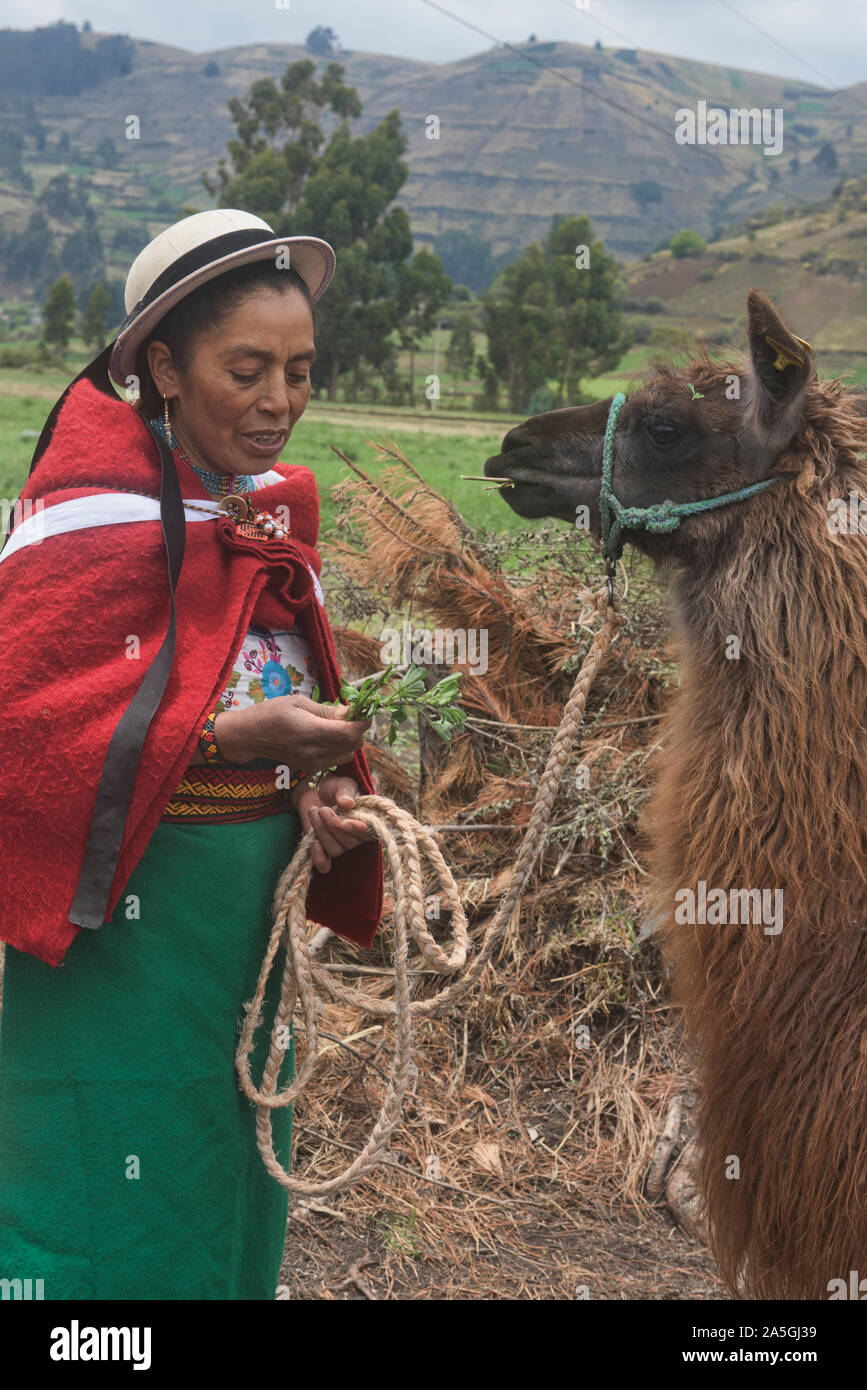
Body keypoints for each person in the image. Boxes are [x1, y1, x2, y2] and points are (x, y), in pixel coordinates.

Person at [0, 208, 384, 1299]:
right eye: (248, 369)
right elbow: (26, 732)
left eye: (301, 371)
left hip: (242, 922)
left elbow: (274, 686)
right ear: (163, 366)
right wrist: (219, 738)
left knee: (228, 1169)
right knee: (102, 1176)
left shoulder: (261, 519)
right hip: (126, 925)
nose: (279, 403)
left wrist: (314, 785)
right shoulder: (85, 527)